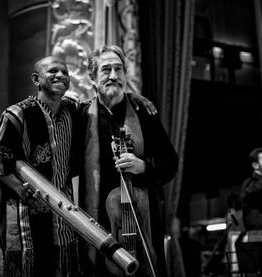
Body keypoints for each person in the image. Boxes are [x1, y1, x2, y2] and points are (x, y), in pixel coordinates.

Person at [77, 45, 178, 277]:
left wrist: (144, 166)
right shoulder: (82, 116)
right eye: (106, 70)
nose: (114, 75)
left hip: (144, 222)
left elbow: (170, 162)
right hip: (101, 223)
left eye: (119, 69)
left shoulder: (144, 112)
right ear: (92, 78)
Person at [0, 56, 82, 277]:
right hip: (25, 218)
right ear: (36, 79)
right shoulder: (17, 114)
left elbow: (103, 105)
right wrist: (20, 188)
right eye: (53, 71)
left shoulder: (73, 111)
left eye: (65, 72)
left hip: (63, 219)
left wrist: (135, 98)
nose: (61, 76)